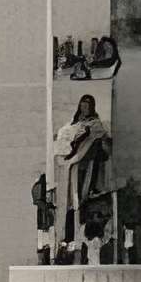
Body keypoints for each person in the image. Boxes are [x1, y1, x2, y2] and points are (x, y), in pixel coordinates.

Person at [55, 93, 112, 230]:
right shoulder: (74, 122)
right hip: (73, 163)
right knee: (71, 195)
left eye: (87, 105)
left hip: (87, 162)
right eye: (83, 104)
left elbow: (100, 138)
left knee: (82, 193)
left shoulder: (95, 123)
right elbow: (66, 134)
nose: (84, 107)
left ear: (91, 107)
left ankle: (81, 222)